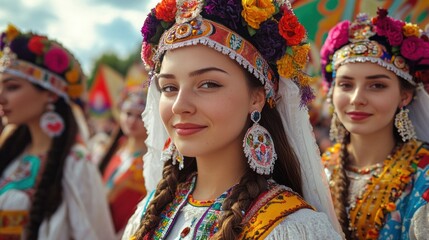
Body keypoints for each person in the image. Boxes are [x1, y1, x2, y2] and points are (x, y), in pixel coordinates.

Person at [122, 0, 343, 239]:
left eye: (208, 84)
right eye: (169, 87)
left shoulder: (292, 227)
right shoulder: (150, 212)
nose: (179, 105)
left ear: (257, 98)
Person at [320, 9, 429, 239]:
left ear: (404, 96)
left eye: (377, 85)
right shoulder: (318, 168)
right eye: (346, 85)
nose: (357, 98)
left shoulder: (423, 176)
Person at [0, 24, 115, 239]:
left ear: (50, 94)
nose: (1, 97)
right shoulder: (11, 153)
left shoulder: (76, 164)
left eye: (12, 87)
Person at [99, 85, 148, 236]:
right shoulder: (114, 149)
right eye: (128, 113)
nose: (132, 121)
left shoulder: (152, 161)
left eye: (140, 116)